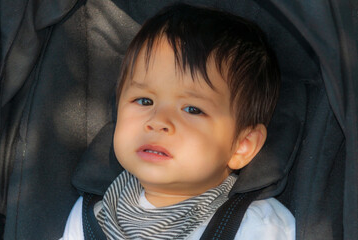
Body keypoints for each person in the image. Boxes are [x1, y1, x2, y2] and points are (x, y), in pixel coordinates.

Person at [61, 3, 295, 239]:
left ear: (242, 145)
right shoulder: (92, 214)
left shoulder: (256, 225)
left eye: (192, 109)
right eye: (144, 101)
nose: (158, 121)